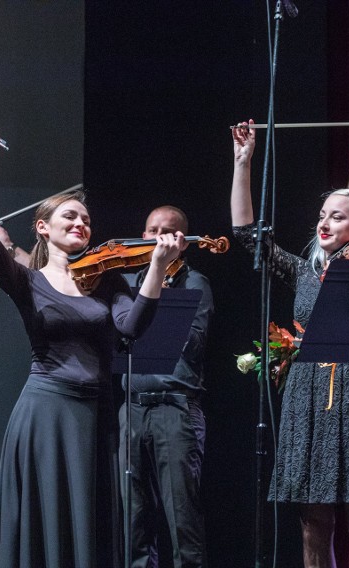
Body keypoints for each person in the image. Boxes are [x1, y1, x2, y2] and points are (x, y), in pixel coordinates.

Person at [0, 126, 187, 568]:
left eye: (85, 220)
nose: (80, 224)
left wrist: (157, 266)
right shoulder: (27, 281)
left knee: (89, 524)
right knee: (45, 521)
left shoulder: (106, 279)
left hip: (96, 414)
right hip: (47, 411)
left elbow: (132, 327)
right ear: (42, 228)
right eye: (69, 217)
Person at [231, 120, 349, 568]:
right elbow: (249, 235)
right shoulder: (306, 270)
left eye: (336, 216)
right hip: (306, 392)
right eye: (322, 215)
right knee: (313, 524)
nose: (324, 222)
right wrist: (243, 162)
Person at [120, 205, 213, 568]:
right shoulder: (126, 283)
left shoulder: (194, 282)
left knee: (182, 521)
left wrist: (160, 279)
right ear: (142, 237)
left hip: (175, 409)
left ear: (182, 241)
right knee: (133, 521)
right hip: (132, 407)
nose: (158, 237)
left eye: (168, 231)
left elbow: (189, 343)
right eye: (152, 230)